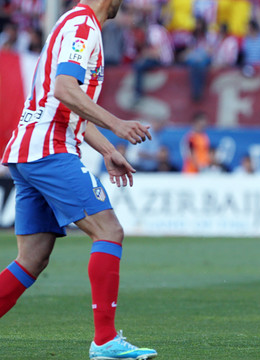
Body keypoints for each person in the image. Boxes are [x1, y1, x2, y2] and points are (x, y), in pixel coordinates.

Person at [0, 1, 158, 359]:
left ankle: (105, 341)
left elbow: (68, 105)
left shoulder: (74, 25)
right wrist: (117, 125)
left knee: (32, 257)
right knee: (109, 230)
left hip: (27, 152)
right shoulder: (83, 27)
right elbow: (64, 90)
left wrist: (106, 149)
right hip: (49, 148)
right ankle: (104, 341)